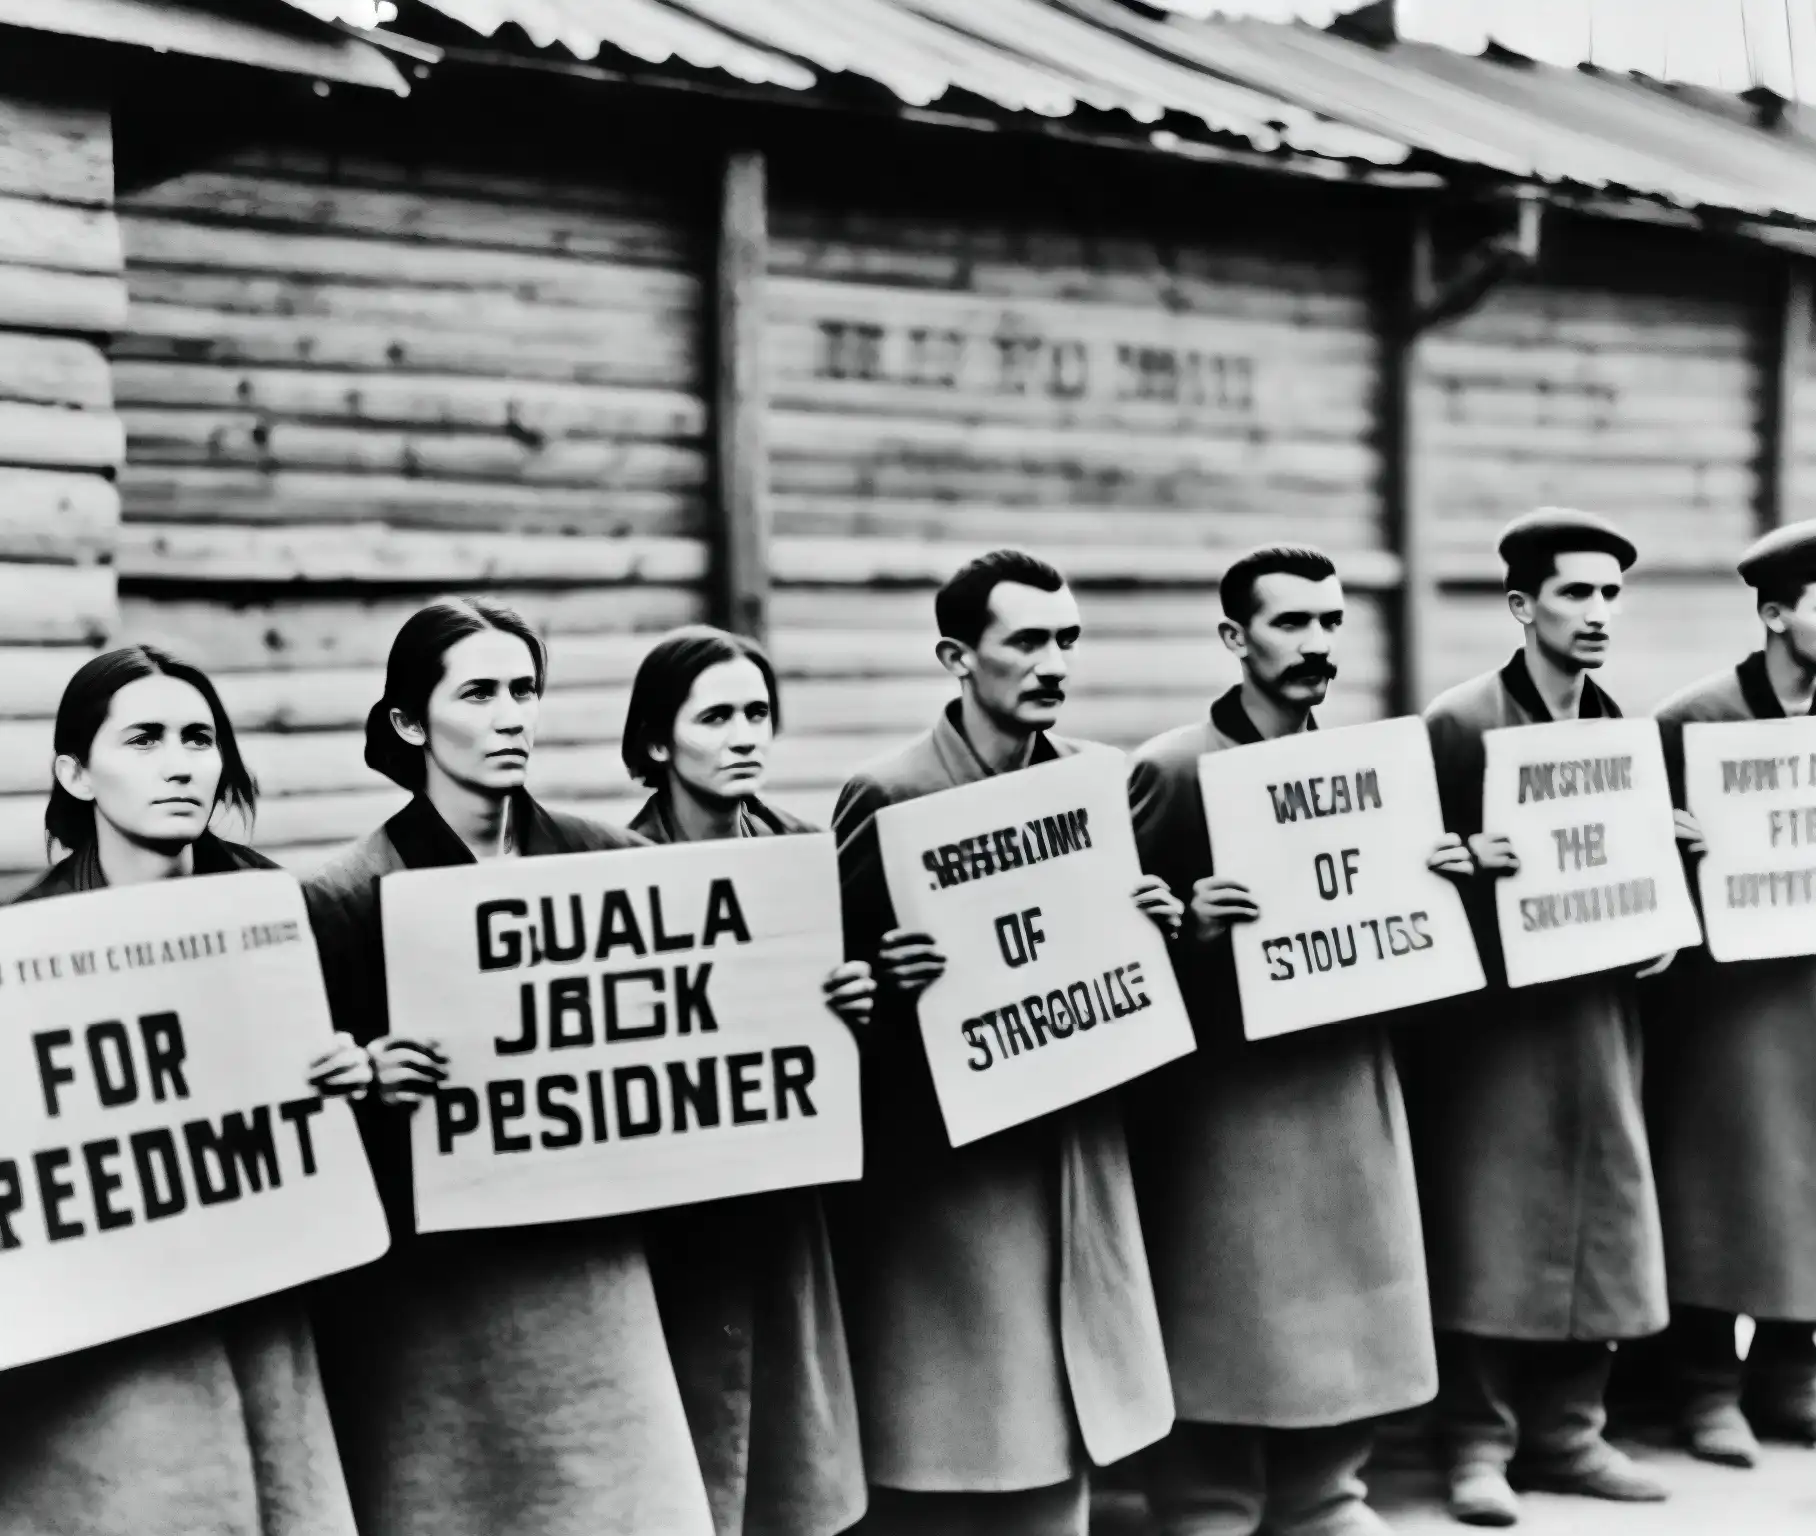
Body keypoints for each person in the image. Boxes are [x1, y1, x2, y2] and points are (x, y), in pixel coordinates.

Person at [301, 598, 715, 1536]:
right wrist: (366, 1079)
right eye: (479, 692)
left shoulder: (610, 861)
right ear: (410, 722)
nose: (510, 715)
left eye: (524, 690)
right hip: (444, 1302)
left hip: (600, 1280)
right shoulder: (343, 895)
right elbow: (320, 1119)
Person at [830, 549, 1182, 1536]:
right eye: (1025, 640)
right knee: (959, 1405)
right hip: (952, 1167)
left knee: (1066, 1399)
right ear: (957, 657)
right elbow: (842, 988)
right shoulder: (887, 795)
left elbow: (1126, 971)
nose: (1052, 662)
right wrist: (888, 983)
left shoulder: (1099, 783)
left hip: (1073, 1144)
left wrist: (1158, 921)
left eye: (1066, 639)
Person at [0, 645, 372, 1536]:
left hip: (280, 1315)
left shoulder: (290, 913)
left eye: (199, 739)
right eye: (145, 739)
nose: (180, 763)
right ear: (76, 773)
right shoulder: (28, 948)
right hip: (119, 1340)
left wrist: (360, 1076)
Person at [1124, 546, 1452, 1536]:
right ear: (1234, 639)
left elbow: (1403, 932)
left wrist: (1439, 878)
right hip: (1231, 1100)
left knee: (1342, 1294)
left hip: (1341, 1081)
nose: (1315, 644)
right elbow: (1115, 951)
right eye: (1289, 623)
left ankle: (1323, 1490)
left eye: (1327, 623)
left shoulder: (1363, 769)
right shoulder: (1173, 770)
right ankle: (1207, 1500)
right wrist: (1190, 928)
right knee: (1226, 1298)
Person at [1407, 510, 1673, 1527]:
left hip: (1598, 1014)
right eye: (1575, 592)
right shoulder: (1460, 724)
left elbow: (1637, 882)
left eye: (1610, 594)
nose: (1597, 613)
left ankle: (1570, 1432)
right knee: (1491, 1214)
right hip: (1494, 1027)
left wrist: (1666, 877)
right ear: (1522, 606)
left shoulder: (1620, 731)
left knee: (1597, 1213)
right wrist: (1464, 870)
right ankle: (1476, 1442)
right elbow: (1407, 879)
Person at [619, 625, 875, 1536]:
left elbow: (844, 1049)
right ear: (657, 742)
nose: (744, 736)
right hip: (677, 1219)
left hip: (786, 1206)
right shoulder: (612, 869)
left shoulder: (806, 852)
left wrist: (856, 1003)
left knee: (795, 1453)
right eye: (717, 715)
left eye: (758, 714)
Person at [1643, 518, 1816, 1467]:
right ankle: (1704, 1391)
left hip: (1815, 990)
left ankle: (1796, 1378)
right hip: (1718, 1000)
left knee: (1814, 1179)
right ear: (1776, 615)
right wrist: (1674, 841)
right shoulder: (1693, 722)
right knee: (1717, 1182)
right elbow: (1644, 860)